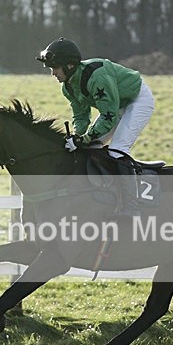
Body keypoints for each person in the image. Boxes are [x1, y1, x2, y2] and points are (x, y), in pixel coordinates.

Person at [36, 37, 154, 217]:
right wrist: (77, 137)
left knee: (117, 150)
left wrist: (85, 138)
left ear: (69, 66)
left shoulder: (97, 77)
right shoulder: (68, 87)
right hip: (114, 106)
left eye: (55, 67)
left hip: (137, 100)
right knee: (89, 148)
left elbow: (109, 116)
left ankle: (132, 206)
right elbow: (81, 116)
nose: (53, 73)